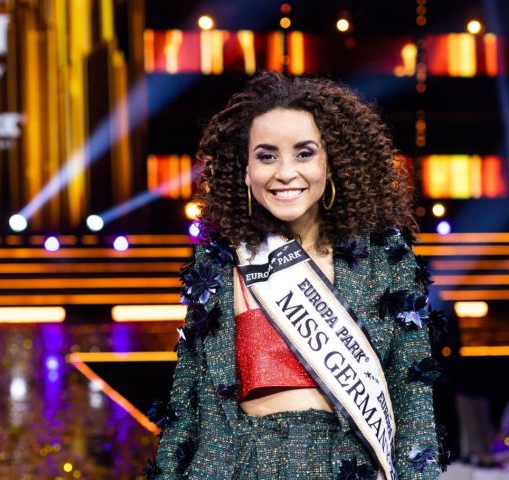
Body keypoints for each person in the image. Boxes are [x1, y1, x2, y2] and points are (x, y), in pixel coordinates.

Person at [144, 72, 444, 480]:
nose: (285, 172)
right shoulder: (219, 265)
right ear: (245, 170)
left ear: (331, 161)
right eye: (267, 156)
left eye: (304, 153)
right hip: (238, 467)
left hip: (349, 467)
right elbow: (187, 406)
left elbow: (413, 402)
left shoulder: (384, 260)